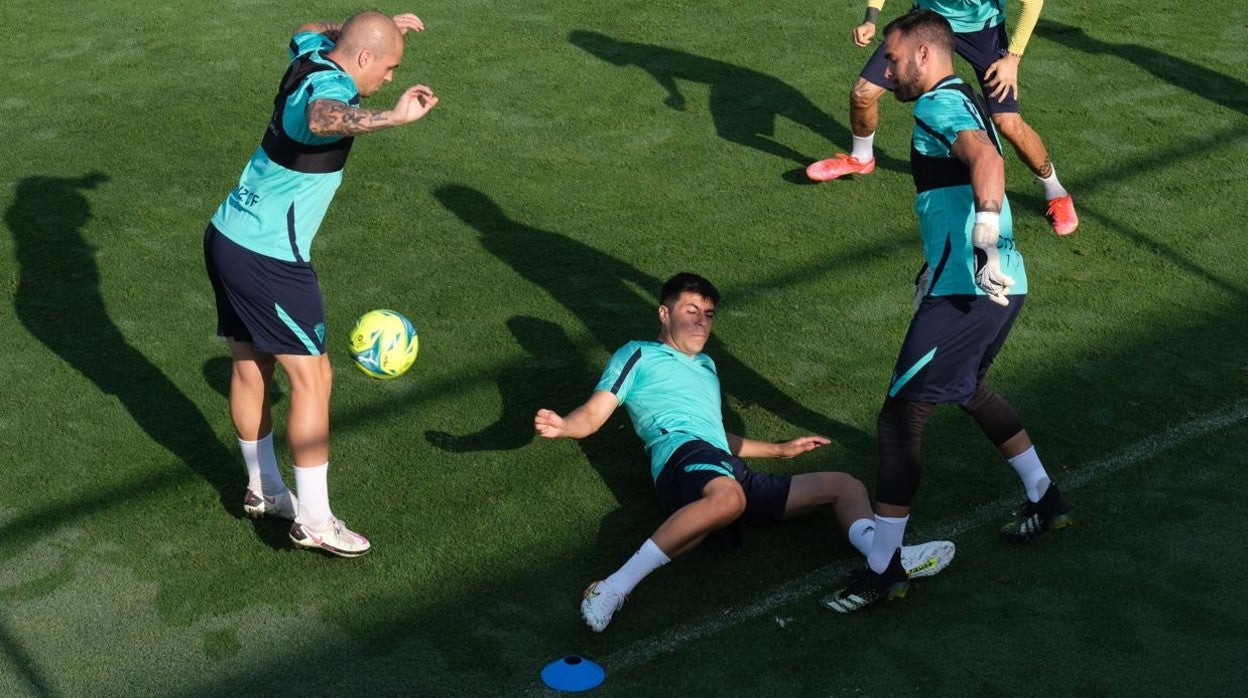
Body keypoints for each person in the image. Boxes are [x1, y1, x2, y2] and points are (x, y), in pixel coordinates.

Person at [534, 273, 956, 632]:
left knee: (844, 485)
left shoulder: (707, 367)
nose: (702, 323)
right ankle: (613, 586)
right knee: (729, 497)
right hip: (682, 458)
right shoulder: (638, 354)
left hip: (722, 464)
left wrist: (777, 449)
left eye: (709, 314)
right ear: (664, 314)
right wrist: (565, 426)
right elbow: (595, 412)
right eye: (691, 311)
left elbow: (717, 435)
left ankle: (887, 557)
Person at [821, 9, 1071, 613]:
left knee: (900, 419)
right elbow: (961, 189)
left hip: (969, 289)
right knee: (971, 390)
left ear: (927, 56)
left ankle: (884, 569)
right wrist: (937, 266)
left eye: (894, 58)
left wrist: (980, 246)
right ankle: (1044, 497)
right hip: (995, 284)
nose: (887, 69)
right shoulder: (961, 96)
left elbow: (989, 162)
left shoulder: (937, 105)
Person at [202, 11, 438, 557]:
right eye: (389, 66)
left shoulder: (310, 55)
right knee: (314, 381)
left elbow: (308, 26)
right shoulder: (328, 91)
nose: (390, 78)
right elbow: (325, 116)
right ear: (361, 59)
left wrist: (379, 24)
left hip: (228, 232)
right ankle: (315, 519)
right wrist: (390, 119)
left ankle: (264, 489)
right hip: (269, 259)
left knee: (250, 362)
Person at [807, 0, 1078, 237]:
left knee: (1007, 121)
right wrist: (871, 18)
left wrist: (1012, 59)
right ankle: (861, 158)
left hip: (982, 30)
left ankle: (1056, 192)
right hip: (928, 22)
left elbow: (1032, 2)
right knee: (862, 93)